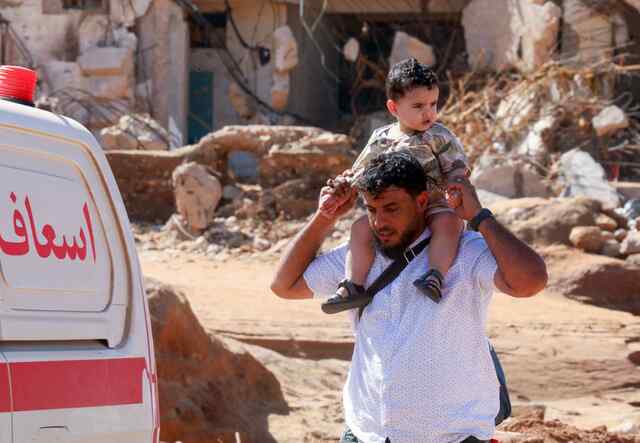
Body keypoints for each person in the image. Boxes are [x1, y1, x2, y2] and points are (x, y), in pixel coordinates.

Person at [270, 151, 547, 443]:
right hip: (369, 433)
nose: (380, 222)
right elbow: (284, 285)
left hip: (451, 436)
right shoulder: (359, 258)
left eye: (392, 208)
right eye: (372, 210)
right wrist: (324, 217)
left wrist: (479, 217)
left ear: (422, 202)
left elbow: (530, 281)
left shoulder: (463, 252)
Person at [320, 57, 469, 312]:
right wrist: (342, 186)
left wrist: (457, 182)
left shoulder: (439, 136)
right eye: (419, 105)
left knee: (448, 224)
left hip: (432, 202)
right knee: (360, 229)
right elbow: (361, 170)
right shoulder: (381, 137)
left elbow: (457, 167)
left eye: (433, 104)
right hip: (391, 207)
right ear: (394, 107)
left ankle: (435, 275)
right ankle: (354, 285)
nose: (429, 113)